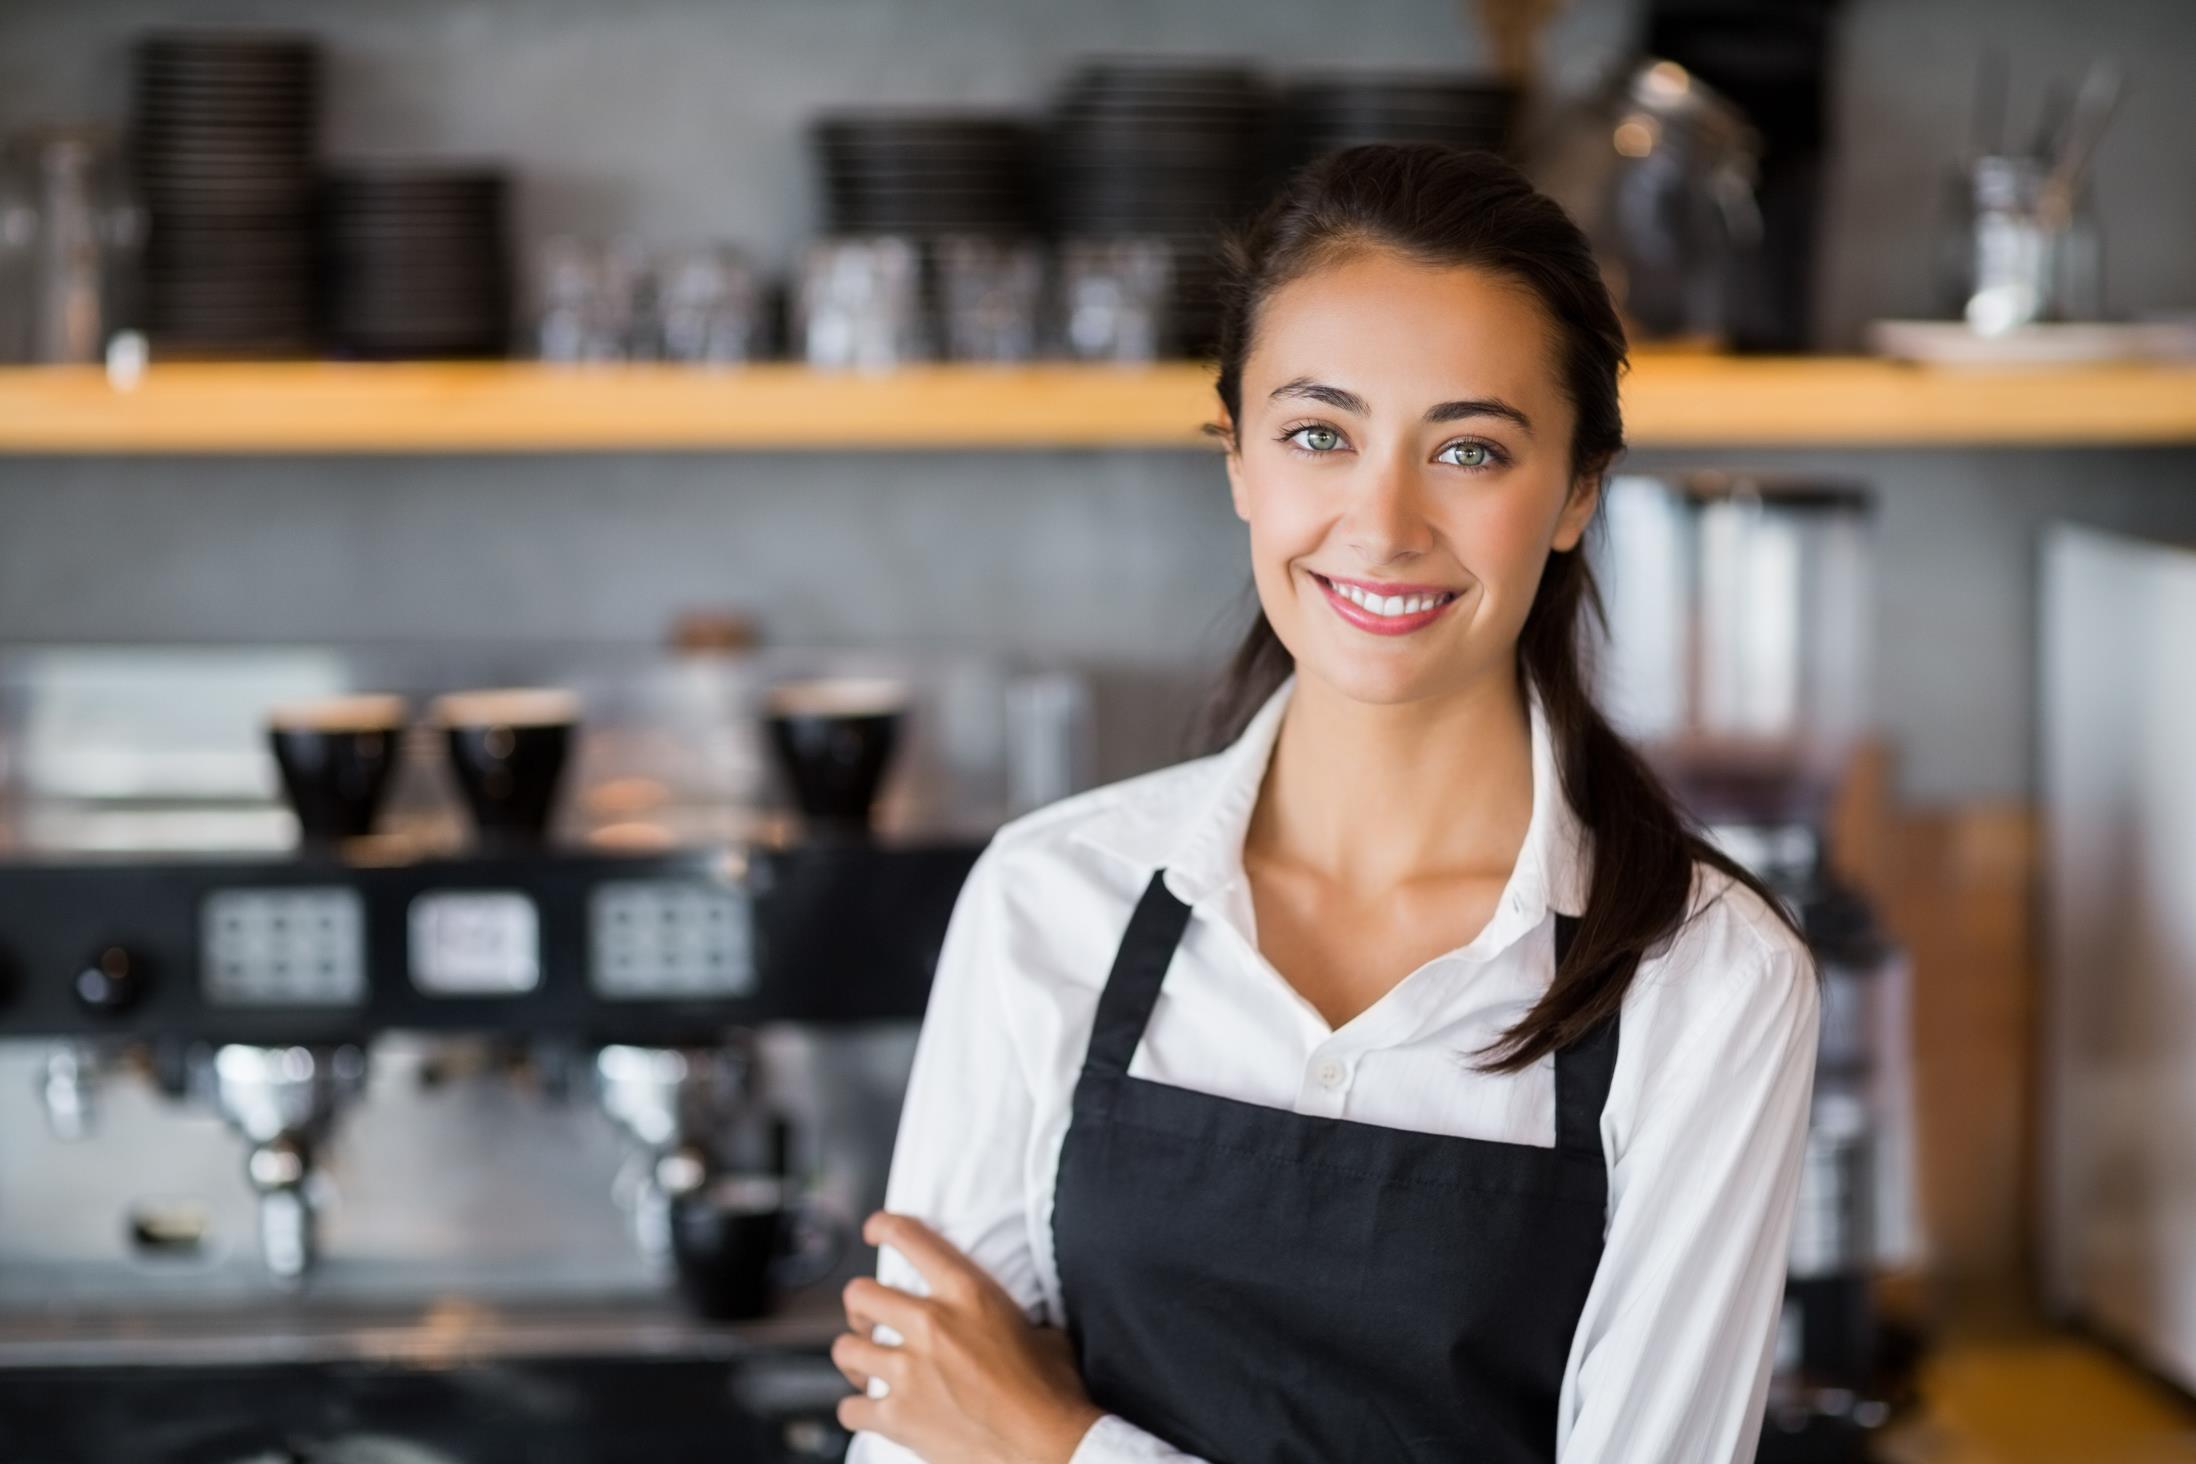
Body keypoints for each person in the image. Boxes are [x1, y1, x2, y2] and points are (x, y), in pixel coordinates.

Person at [829, 142, 1821, 1464]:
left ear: (1578, 490)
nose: (1384, 519)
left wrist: (1063, 1447)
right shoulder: (1049, 902)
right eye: (1317, 434)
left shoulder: (1703, 979)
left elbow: (991, 1434)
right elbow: (924, 1439)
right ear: (1235, 457)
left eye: (1469, 449)